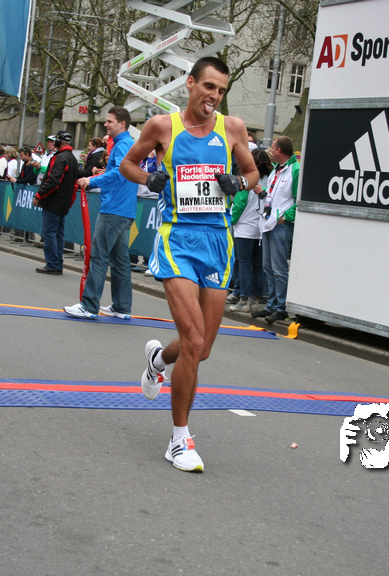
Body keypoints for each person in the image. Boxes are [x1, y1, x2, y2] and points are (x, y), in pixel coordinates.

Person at [119, 57, 258, 472]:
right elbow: (127, 164)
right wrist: (149, 179)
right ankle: (179, 439)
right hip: (177, 239)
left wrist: (239, 182)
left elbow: (253, 173)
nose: (214, 96)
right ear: (191, 83)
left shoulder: (232, 128)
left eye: (221, 90)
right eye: (209, 87)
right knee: (194, 341)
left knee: (202, 349)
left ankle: (158, 361)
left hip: (218, 242)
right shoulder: (163, 126)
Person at [64, 106, 138, 319]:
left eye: (109, 121)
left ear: (122, 123)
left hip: (114, 209)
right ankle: (122, 307)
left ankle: (89, 306)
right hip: (124, 209)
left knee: (99, 256)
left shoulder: (122, 145)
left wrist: (92, 180)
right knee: (120, 260)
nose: (105, 124)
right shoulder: (126, 144)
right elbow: (121, 172)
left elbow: (120, 173)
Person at [251, 136, 299, 323]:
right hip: (268, 222)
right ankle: (271, 305)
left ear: (279, 150)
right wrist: (262, 193)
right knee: (268, 267)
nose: (270, 150)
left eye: (272, 147)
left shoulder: (295, 170)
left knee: (279, 268)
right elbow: (273, 196)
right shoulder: (276, 170)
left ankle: (281, 307)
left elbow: (298, 199)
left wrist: (286, 217)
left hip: (280, 225)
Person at [229, 147, 272, 312]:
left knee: (244, 264)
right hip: (261, 226)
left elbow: (239, 203)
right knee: (258, 265)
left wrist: (231, 220)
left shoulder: (248, 178)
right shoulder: (270, 178)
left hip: (244, 226)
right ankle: (255, 300)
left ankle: (244, 300)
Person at [31, 131, 78, 275]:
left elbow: (53, 181)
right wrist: (70, 201)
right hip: (63, 202)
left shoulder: (60, 158)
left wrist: (39, 195)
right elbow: (74, 183)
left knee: (49, 233)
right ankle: (57, 263)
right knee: (58, 234)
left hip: (53, 201)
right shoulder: (72, 158)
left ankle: (52, 264)